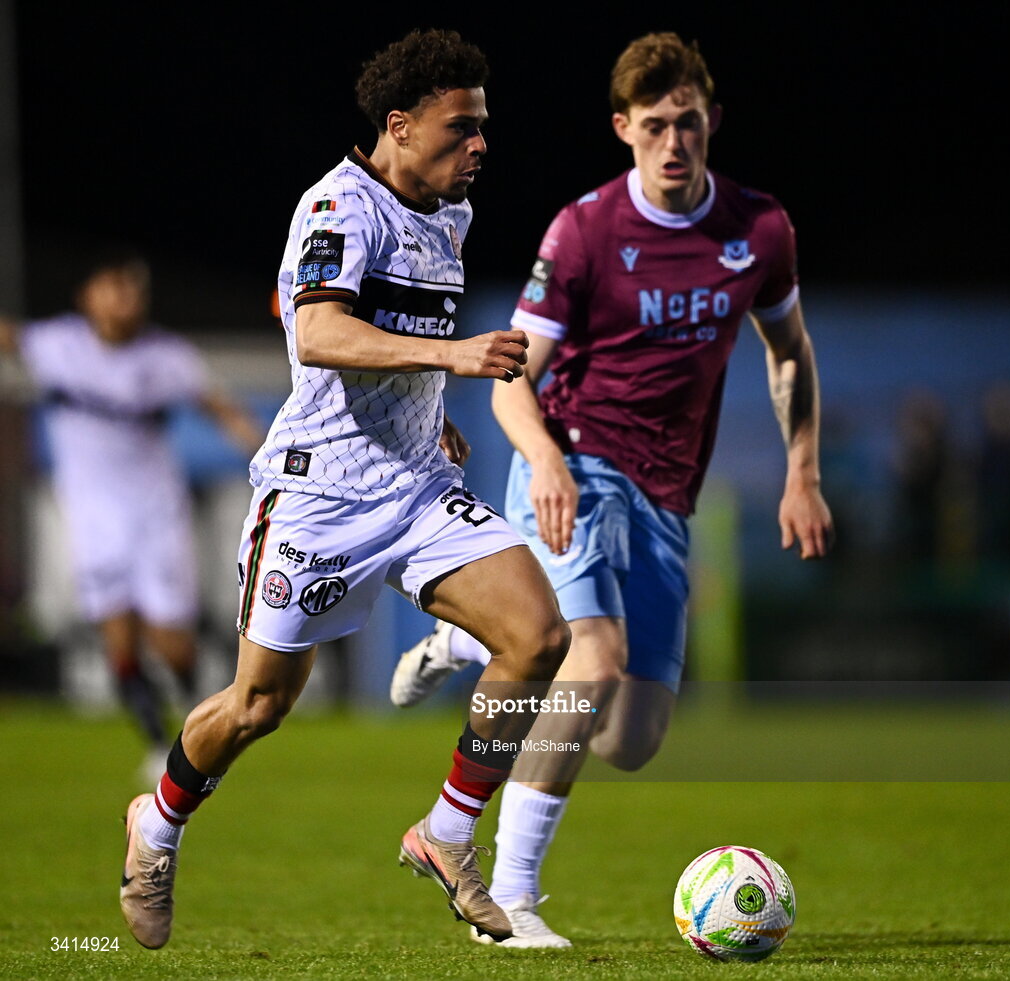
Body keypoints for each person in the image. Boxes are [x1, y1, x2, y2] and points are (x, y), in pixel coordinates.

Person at [118, 29, 570, 950]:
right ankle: (156, 823)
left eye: (483, 127)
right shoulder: (336, 207)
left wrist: (424, 397)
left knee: (539, 635)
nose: (480, 146)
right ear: (398, 126)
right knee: (258, 706)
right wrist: (449, 358)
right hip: (318, 498)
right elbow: (320, 333)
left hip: (413, 489)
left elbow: (391, 325)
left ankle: (447, 834)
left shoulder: (451, 214)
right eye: (460, 128)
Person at [389, 31, 834, 948]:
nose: (677, 142)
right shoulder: (587, 230)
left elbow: (788, 351)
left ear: (712, 123)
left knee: (630, 737)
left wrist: (803, 471)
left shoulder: (758, 230)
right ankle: (507, 901)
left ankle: (472, 647)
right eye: (658, 125)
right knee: (590, 658)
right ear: (624, 128)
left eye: (692, 124)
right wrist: (545, 458)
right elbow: (512, 372)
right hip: (578, 465)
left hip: (670, 495)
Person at [0, 252, 262, 781]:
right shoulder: (58, 345)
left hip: (156, 514)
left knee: (172, 641)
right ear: (87, 296)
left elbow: (222, 409)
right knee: (117, 633)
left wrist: (266, 456)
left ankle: (201, 722)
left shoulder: (166, 356)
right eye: (113, 287)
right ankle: (155, 738)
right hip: (94, 516)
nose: (125, 299)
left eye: (133, 289)